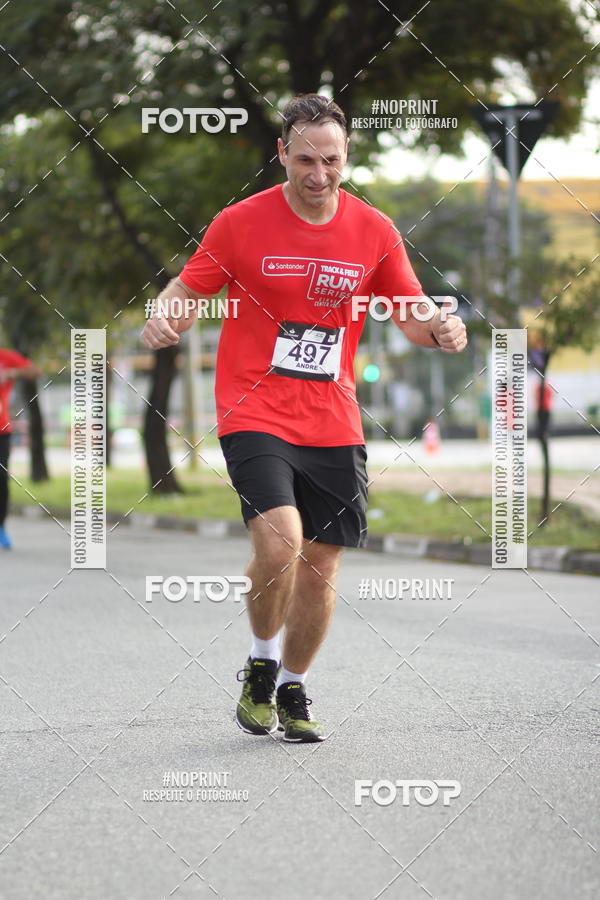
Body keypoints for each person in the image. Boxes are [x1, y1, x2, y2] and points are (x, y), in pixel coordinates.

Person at [141, 94, 467, 742]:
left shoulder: (373, 230)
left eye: (331, 160)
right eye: (305, 160)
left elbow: (408, 311)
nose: (319, 175)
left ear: (347, 157)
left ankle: (292, 686)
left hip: (333, 416)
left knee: (321, 567)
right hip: (253, 405)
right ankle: (260, 665)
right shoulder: (240, 223)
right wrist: (165, 315)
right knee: (280, 541)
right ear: (281, 155)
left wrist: (440, 327)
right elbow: (189, 287)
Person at [0, 348, 40, 549]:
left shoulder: (6, 357)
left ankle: (1, 527)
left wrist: (12, 373)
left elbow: (35, 371)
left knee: (1, 479)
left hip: (2, 429)